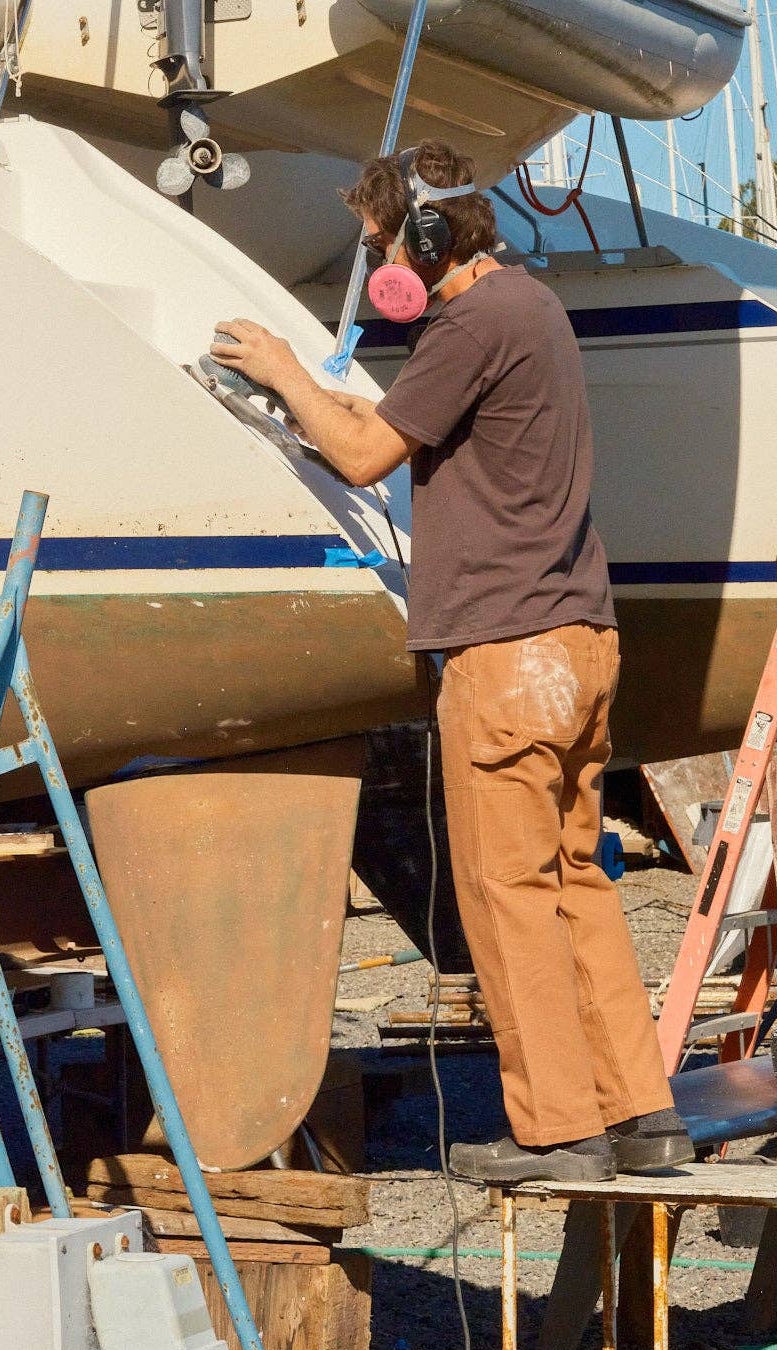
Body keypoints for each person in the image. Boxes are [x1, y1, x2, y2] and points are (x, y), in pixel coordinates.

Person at [210, 139, 693, 1186]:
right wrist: (310, 405)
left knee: (506, 891)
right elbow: (390, 426)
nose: (378, 265)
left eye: (379, 243)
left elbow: (365, 456)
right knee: (577, 881)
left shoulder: (467, 325)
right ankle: (640, 1114)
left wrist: (281, 369)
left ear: (424, 237)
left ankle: (557, 1131)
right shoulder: (530, 308)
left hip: (505, 655)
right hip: (578, 644)